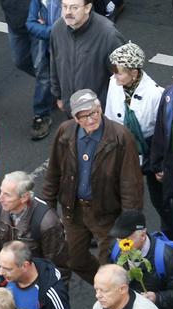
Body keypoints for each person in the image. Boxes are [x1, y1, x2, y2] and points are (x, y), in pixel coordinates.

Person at [40, 90, 143, 284]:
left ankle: (113, 296)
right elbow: (53, 172)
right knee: (73, 259)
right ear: (75, 118)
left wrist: (129, 222)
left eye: (94, 112)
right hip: (74, 211)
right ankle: (104, 285)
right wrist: (47, 209)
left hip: (108, 215)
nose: (90, 119)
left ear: (100, 108)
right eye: (83, 116)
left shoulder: (120, 137)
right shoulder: (65, 132)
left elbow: (131, 183)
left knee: (112, 266)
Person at [107, 44, 172, 230]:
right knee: (124, 194)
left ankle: (171, 234)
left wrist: (160, 165)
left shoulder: (155, 95)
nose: (114, 75)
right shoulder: (114, 83)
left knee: (160, 198)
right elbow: (110, 114)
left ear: (134, 73)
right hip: (122, 146)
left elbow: (163, 133)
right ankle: (126, 231)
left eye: (118, 72)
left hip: (149, 147)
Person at [0, 171, 70, 293]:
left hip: (35, 287)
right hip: (9, 282)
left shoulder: (47, 223)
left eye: (7, 195)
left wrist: (50, 302)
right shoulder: (0, 210)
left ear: (24, 197)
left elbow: (59, 269)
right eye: (1, 191)